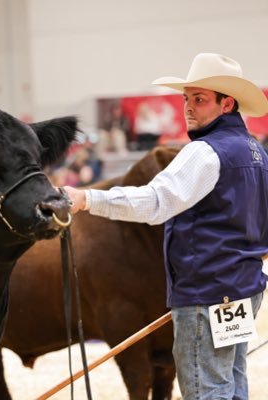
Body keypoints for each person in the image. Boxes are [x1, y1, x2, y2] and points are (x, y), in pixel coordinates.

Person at [63, 53, 268, 400]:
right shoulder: (256, 153)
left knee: (207, 389)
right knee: (231, 385)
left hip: (206, 291)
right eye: (186, 98)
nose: (188, 107)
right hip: (243, 289)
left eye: (199, 99)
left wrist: (86, 200)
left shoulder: (205, 152)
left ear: (227, 103)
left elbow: (156, 202)